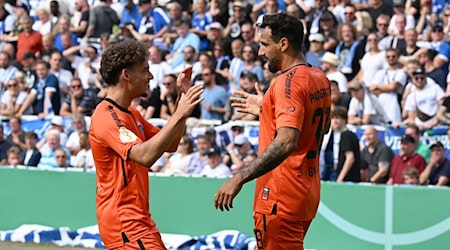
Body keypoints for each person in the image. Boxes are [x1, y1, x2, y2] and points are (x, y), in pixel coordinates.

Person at [214, 13, 331, 249]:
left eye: (264, 44)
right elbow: (321, 127)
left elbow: (286, 141)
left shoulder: (286, 83)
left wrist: (239, 178)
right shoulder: (319, 77)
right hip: (306, 192)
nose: (260, 52)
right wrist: (267, 110)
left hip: (280, 195)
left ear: (283, 44)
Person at [89, 40, 203, 250]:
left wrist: (182, 100)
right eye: (145, 71)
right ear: (126, 75)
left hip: (137, 219)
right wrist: (179, 113)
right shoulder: (106, 116)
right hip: (124, 222)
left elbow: (170, 144)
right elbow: (145, 156)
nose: (150, 77)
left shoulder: (131, 113)